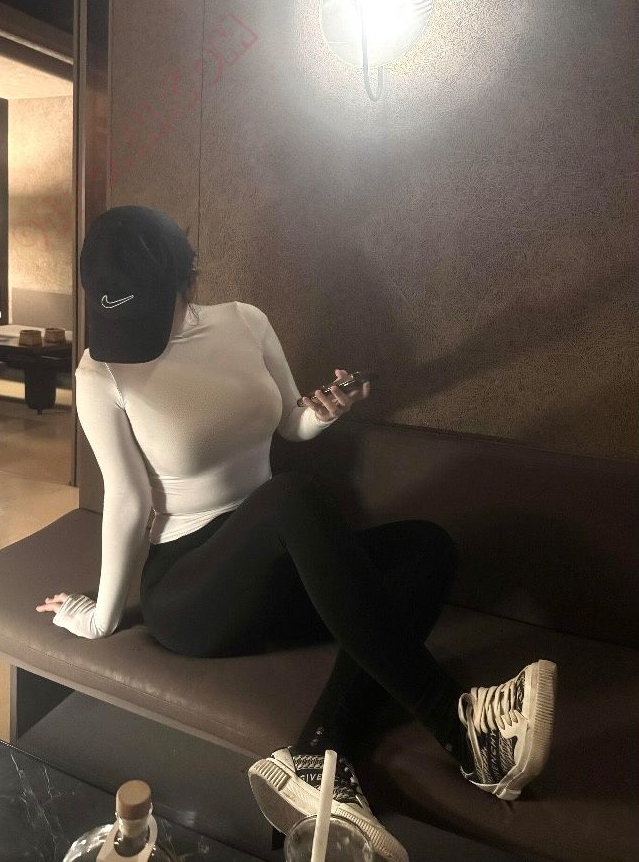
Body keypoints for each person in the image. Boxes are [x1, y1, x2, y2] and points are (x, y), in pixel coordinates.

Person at [36, 206, 558, 862]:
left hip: (277, 564)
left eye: (144, 315)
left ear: (189, 283)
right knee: (290, 497)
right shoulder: (100, 371)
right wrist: (100, 618)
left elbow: (289, 422)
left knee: (427, 547)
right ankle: (460, 729)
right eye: (115, 316)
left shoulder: (245, 322)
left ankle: (319, 752)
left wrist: (324, 412)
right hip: (192, 592)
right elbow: (128, 499)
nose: (128, 338)